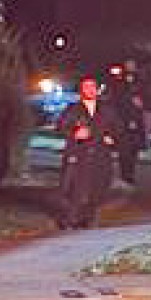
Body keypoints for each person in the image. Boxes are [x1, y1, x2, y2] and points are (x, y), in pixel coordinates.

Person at [54, 77, 122, 228]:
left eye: (92, 87)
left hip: (100, 153)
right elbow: (60, 127)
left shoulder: (106, 110)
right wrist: (74, 133)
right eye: (86, 87)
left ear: (97, 90)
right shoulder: (73, 109)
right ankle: (70, 219)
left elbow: (118, 128)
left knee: (97, 186)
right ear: (81, 90)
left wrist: (110, 137)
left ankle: (90, 219)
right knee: (76, 187)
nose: (89, 90)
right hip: (79, 152)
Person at [103, 61, 142, 186]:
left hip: (135, 119)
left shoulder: (140, 79)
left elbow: (142, 97)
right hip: (122, 119)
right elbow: (117, 99)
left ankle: (129, 174)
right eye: (128, 65)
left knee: (133, 149)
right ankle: (126, 175)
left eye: (132, 65)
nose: (130, 67)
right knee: (124, 149)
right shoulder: (119, 82)